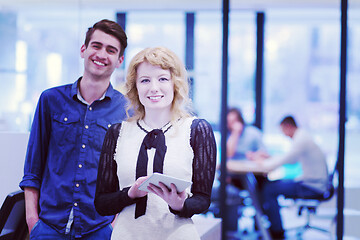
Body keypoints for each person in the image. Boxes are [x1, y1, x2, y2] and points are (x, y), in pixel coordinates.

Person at [19, 19, 128, 239]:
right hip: (49, 227)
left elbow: (127, 177)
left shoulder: (127, 111)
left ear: (119, 60)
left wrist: (114, 227)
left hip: (99, 229)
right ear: (83, 49)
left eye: (111, 50)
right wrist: (33, 222)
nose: (101, 54)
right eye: (96, 46)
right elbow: (33, 168)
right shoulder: (50, 100)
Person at [94, 46, 217, 240]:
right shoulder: (117, 133)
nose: (153, 88)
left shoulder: (196, 129)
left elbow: (203, 199)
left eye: (162, 79)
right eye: (145, 80)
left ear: (175, 83)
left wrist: (179, 205)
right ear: (135, 87)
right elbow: (102, 203)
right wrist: (130, 194)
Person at [256, 115, 329, 239]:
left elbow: (289, 159)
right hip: (311, 183)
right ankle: (272, 226)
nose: (284, 135)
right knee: (270, 185)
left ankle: (276, 231)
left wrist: (264, 164)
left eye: (283, 131)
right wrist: (269, 159)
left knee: (269, 189)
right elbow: (291, 158)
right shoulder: (303, 136)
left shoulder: (301, 139)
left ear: (288, 127)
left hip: (311, 186)